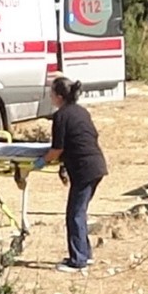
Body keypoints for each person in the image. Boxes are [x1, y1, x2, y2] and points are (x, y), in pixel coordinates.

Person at [39, 73, 107, 272]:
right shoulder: (81, 112)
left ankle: (78, 260)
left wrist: (41, 161)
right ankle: (84, 254)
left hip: (84, 169)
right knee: (79, 212)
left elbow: (57, 149)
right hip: (95, 166)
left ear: (59, 96)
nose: (50, 96)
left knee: (74, 215)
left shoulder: (61, 116)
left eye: (52, 93)